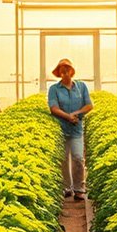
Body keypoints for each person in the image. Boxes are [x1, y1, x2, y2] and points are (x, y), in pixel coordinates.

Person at [48, 58, 93, 201]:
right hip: (61, 129)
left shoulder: (81, 86)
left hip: (76, 129)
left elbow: (89, 105)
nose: (65, 71)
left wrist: (76, 114)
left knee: (78, 157)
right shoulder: (54, 89)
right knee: (63, 160)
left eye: (67, 68)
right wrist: (67, 117)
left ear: (72, 71)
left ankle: (79, 188)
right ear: (59, 73)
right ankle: (67, 188)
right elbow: (53, 108)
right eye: (62, 69)